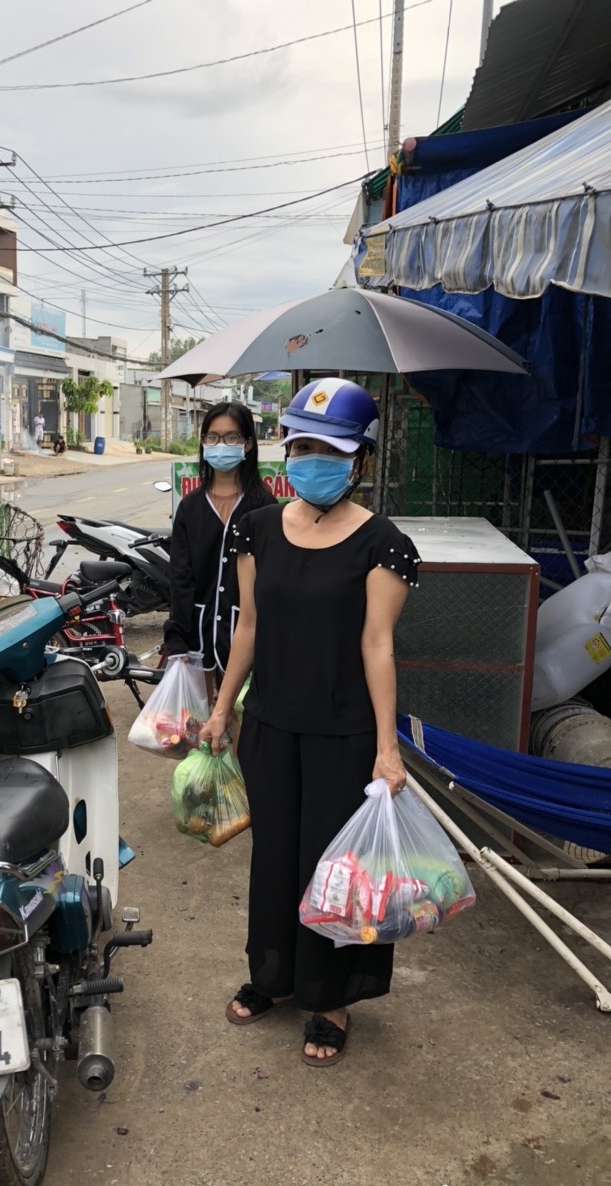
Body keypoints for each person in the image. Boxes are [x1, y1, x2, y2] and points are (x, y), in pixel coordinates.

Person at [201, 377, 420, 1066]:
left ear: (359, 460)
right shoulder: (258, 527)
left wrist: (388, 748)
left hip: (344, 734)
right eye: (302, 445)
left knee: (333, 872)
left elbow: (377, 645)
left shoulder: (385, 544)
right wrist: (220, 708)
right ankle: (273, 978)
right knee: (275, 862)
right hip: (271, 724)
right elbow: (249, 627)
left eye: (329, 448)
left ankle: (328, 999)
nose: (311, 459)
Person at [164, 402, 276, 691]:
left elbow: (271, 579)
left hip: (245, 636)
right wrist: (177, 641)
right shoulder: (190, 507)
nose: (220, 445)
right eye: (212, 437)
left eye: (231, 437)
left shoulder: (264, 507)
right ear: (203, 442)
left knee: (239, 721)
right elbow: (180, 577)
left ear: (248, 444)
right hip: (197, 636)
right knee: (198, 724)